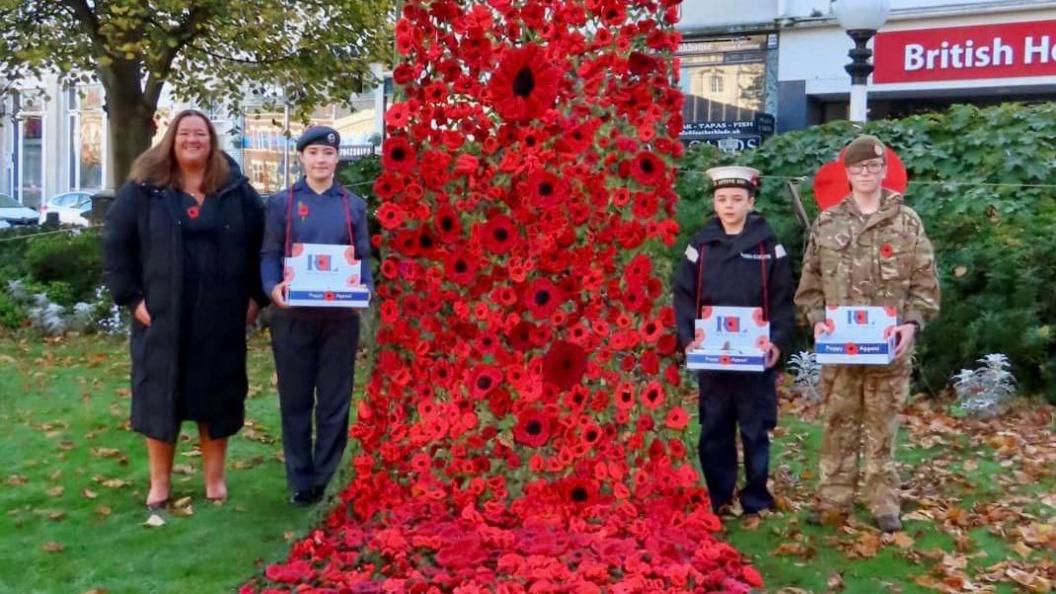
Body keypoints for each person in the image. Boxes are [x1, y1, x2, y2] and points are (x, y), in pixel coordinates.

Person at [103, 109, 268, 511]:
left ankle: (215, 480)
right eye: (185, 134)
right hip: (163, 320)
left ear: (211, 141)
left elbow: (262, 245)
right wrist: (132, 300)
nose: (193, 140)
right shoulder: (144, 190)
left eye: (201, 134)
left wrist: (254, 298)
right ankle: (160, 484)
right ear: (171, 140)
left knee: (218, 398)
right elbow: (115, 245)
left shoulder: (235, 190)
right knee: (161, 399)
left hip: (221, 320)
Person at [795, 135, 940, 533]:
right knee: (838, 422)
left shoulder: (906, 221)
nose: (866, 173)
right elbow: (810, 284)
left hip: (888, 349)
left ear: (883, 171)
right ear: (847, 173)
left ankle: (883, 502)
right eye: (858, 168)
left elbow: (925, 284)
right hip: (840, 349)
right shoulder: (828, 222)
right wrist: (818, 318)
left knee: (882, 426)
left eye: (873, 167)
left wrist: (911, 324)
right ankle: (833, 498)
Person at [672, 165, 796, 517]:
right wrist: (686, 339)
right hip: (712, 357)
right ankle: (718, 495)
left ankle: (756, 496)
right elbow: (682, 295)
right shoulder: (700, 245)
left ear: (751, 202)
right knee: (714, 426)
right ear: (714, 202)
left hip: (754, 358)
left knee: (756, 427)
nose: (729, 206)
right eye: (722, 199)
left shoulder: (770, 247)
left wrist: (777, 343)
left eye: (737, 199)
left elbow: (783, 299)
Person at [261, 126, 374, 506]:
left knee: (334, 400)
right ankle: (300, 480)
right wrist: (272, 287)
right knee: (295, 400)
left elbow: (361, 257)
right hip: (293, 315)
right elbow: (269, 254)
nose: (321, 160)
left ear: (336, 158)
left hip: (339, 317)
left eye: (327, 154)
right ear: (302, 158)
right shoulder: (282, 203)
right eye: (314, 154)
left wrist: (365, 290)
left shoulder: (353, 205)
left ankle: (326, 480)